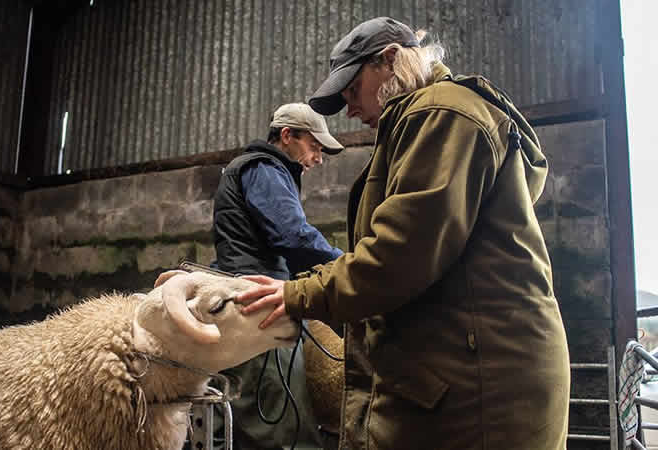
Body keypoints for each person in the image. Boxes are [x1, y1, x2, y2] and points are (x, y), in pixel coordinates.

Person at [234, 16, 571, 450]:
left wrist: (297, 295)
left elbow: (399, 256)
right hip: (463, 367)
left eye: (352, 90)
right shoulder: (422, 121)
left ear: (390, 60)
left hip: (482, 382)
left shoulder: (441, 114)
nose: (351, 109)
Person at [211, 103, 345, 449]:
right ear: (287, 136)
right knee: (280, 421)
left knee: (259, 414)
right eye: (314, 147)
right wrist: (349, 267)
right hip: (258, 306)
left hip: (255, 293)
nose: (318, 158)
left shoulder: (261, 170)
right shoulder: (264, 169)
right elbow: (294, 237)